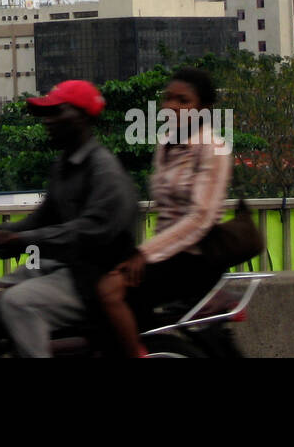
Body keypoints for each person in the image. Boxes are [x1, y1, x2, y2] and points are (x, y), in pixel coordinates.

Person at [0, 79, 137, 358]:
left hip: (95, 276)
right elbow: (38, 221)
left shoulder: (104, 170)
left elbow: (87, 232)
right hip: (64, 266)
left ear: (82, 117)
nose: (48, 121)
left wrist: (21, 240)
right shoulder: (64, 164)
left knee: (18, 302)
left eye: (57, 112)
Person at [96, 67, 232, 357]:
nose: (172, 106)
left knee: (109, 291)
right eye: (168, 98)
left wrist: (145, 255)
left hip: (195, 259)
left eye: (183, 101)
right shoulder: (166, 144)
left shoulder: (214, 148)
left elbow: (200, 218)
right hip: (166, 255)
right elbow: (165, 213)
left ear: (203, 110)